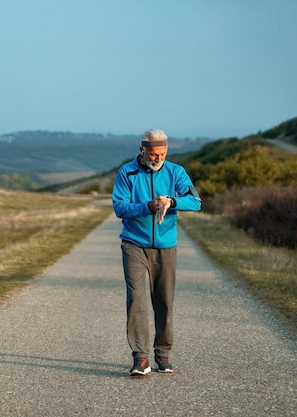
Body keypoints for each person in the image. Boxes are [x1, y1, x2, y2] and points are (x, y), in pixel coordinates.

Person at [112, 129, 201, 376]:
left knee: (163, 301)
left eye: (162, 153)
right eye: (153, 153)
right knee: (137, 299)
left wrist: (172, 201)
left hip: (166, 247)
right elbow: (120, 207)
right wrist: (148, 206)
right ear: (142, 150)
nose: (157, 158)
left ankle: (162, 353)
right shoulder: (126, 172)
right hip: (134, 245)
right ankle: (140, 358)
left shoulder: (176, 172)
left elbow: (196, 202)